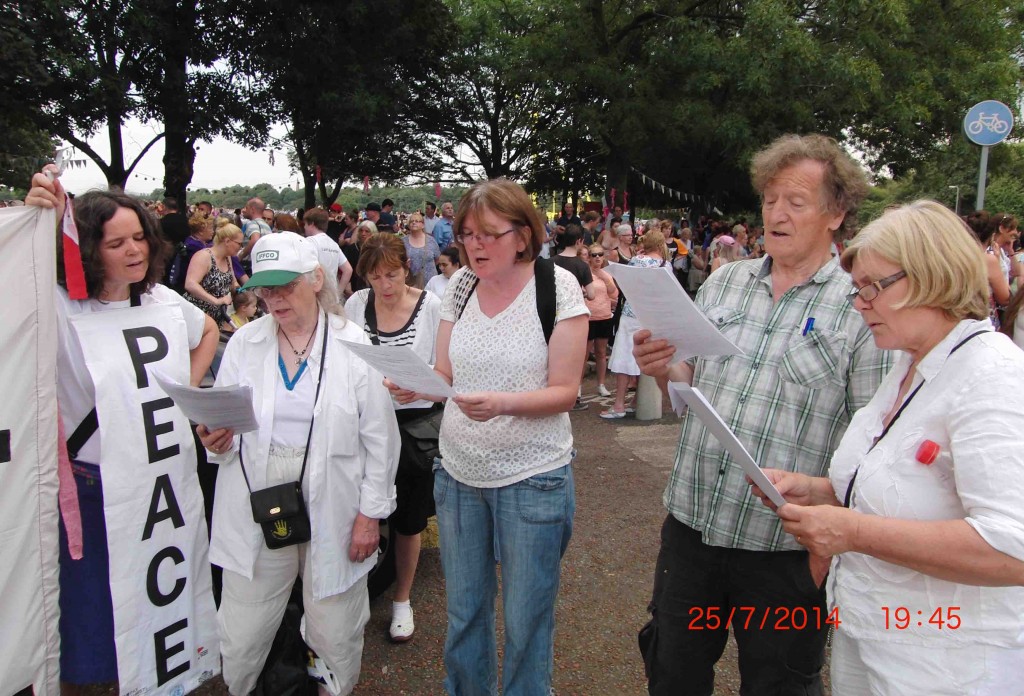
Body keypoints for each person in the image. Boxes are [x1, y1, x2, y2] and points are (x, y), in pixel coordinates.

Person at [632, 133, 890, 695]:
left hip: (783, 550)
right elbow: (689, 386)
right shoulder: (724, 282)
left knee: (779, 685)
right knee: (672, 672)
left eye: (795, 202)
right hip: (692, 526)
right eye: (770, 199)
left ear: (836, 213)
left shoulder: (860, 307)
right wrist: (662, 366)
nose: (776, 213)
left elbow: (874, 449)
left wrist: (826, 540)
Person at [750, 200, 1024, 695]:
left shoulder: (992, 376)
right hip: (876, 638)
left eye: (873, 287)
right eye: (858, 290)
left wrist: (851, 530)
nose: (860, 303)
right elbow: (902, 485)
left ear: (933, 276)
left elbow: (1014, 547)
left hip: (951, 663)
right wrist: (817, 492)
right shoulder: (909, 364)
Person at [388, 178, 588, 695]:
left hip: (533, 475)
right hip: (457, 471)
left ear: (523, 235)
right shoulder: (459, 286)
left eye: (488, 235)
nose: (474, 245)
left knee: (526, 622)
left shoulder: (557, 285)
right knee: (465, 613)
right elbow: (445, 372)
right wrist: (417, 388)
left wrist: (502, 404)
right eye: (467, 234)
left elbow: (566, 392)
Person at [25, 168, 219, 694]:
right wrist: (38, 218)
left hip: (158, 483)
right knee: (89, 630)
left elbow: (206, 330)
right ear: (88, 249)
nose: (134, 251)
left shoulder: (157, 299)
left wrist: (183, 391)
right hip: (91, 489)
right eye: (116, 242)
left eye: (140, 237)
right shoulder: (58, 306)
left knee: (155, 603)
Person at [197, 231, 400, 696]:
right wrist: (216, 440)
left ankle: (335, 687)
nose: (273, 298)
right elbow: (224, 443)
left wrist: (371, 515)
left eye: (285, 285)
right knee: (243, 629)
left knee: (335, 624)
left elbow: (380, 441)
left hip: (334, 506)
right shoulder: (246, 344)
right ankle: (245, 686)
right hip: (259, 502)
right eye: (265, 288)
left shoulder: (354, 344)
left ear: (315, 279)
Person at [344, 233, 442, 643]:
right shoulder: (355, 305)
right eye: (375, 276)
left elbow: (445, 371)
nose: (385, 285)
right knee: (357, 510)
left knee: (407, 519)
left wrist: (418, 387)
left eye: (393, 274)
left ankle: (402, 599)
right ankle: (353, 594)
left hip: (413, 423)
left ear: (408, 268)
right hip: (366, 421)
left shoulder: (431, 306)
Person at [602, 230, 670, 419]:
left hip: (633, 312)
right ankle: (636, 400)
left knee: (625, 356)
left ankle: (618, 404)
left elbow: (626, 286)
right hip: (653, 316)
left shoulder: (636, 261)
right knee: (645, 358)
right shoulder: (667, 265)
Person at [183, 222, 243, 320]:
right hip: (196, 315)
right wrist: (216, 301)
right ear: (227, 241)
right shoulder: (204, 256)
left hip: (216, 316)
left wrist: (240, 291)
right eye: (239, 244)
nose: (240, 247)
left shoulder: (228, 258)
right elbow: (190, 284)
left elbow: (233, 282)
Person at [585, 243, 618, 398]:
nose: (597, 257)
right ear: (589, 258)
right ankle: (578, 386)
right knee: (584, 353)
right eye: (594, 255)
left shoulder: (606, 274)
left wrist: (602, 275)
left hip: (604, 316)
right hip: (588, 317)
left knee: (601, 352)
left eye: (600, 254)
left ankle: (601, 384)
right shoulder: (584, 273)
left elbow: (614, 293)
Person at [304, 207, 354, 300]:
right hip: (332, 297)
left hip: (315, 296)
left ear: (312, 224)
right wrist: (338, 294)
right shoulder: (334, 244)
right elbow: (348, 270)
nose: (304, 227)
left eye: (305, 224)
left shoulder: (309, 242)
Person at [403, 210, 442, 289]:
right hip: (411, 281)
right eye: (411, 221)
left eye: (417, 221)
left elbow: (437, 259)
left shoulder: (431, 240)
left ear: (423, 225)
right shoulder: (403, 241)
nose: (414, 223)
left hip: (431, 281)